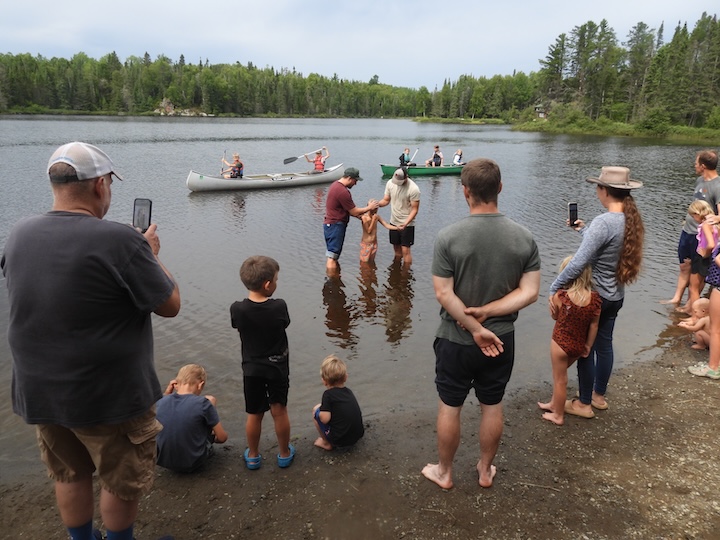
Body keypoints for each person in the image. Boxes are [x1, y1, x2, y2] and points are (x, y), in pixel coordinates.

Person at [1, 141, 181, 540]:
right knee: (120, 481)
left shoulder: (18, 234)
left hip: (41, 390)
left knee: (70, 473)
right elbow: (170, 304)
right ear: (101, 185)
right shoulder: (120, 240)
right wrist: (149, 254)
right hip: (109, 397)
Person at [422, 158, 541, 490]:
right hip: (501, 340)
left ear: (465, 192)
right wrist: (488, 315)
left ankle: (444, 473)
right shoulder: (524, 237)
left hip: (455, 339)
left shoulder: (448, 237)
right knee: (492, 405)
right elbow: (530, 292)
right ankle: (485, 471)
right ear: (500, 188)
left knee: (450, 406)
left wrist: (474, 326)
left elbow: (443, 293)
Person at [551, 166, 644, 419]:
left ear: (604, 190)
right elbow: (606, 247)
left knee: (585, 349)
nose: (596, 190)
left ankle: (583, 404)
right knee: (604, 346)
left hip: (597, 298)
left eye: (597, 187)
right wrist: (583, 231)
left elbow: (579, 262)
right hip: (616, 296)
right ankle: (598, 397)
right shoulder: (629, 218)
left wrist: (555, 287)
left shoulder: (604, 222)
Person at [230, 255, 295, 470]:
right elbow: (284, 323)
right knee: (280, 410)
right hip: (277, 368)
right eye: (276, 280)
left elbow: (237, 326)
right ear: (268, 285)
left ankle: (254, 455)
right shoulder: (279, 306)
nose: (276, 283)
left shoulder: (238, 309)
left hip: (251, 369)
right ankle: (284, 453)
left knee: (254, 414)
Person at [537, 257, 602, 425]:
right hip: (578, 345)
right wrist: (588, 345)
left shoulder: (561, 296)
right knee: (561, 377)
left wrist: (552, 309)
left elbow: (555, 317)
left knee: (560, 380)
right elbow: (594, 326)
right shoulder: (595, 300)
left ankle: (558, 415)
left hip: (560, 343)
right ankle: (554, 404)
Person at [662, 150, 720, 310]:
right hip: (687, 231)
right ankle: (676, 298)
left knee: (697, 273)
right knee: (684, 266)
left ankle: (691, 306)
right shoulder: (699, 181)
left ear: (703, 165)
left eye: (696, 163)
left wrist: (713, 220)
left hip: (700, 235)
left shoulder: (717, 186)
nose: (694, 165)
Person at [156, 364, 229, 473]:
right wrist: (212, 437)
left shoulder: (159, 402)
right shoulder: (203, 404)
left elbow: (161, 404)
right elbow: (222, 438)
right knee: (211, 399)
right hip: (193, 462)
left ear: (175, 384)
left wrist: (167, 392)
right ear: (200, 385)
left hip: (163, 460)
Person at [323, 167, 378, 273]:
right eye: (355, 180)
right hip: (335, 225)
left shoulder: (335, 185)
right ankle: (331, 282)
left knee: (334, 254)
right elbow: (354, 211)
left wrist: (361, 216)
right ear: (349, 178)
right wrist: (369, 208)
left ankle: (335, 278)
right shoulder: (342, 191)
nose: (355, 183)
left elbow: (347, 210)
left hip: (331, 224)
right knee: (332, 256)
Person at [312, 354, 365, 451]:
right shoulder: (348, 392)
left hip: (340, 441)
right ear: (346, 377)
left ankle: (326, 443)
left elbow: (324, 419)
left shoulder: (327, 395)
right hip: (357, 435)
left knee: (316, 410)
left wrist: (321, 413)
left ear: (324, 381)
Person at [377, 168, 421, 265]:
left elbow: (415, 209)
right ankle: (395, 271)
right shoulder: (390, 183)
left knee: (406, 251)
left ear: (406, 177)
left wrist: (405, 223)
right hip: (394, 221)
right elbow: (386, 200)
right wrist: (376, 204)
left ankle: (405, 275)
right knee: (396, 249)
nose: (397, 183)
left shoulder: (414, 189)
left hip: (407, 223)